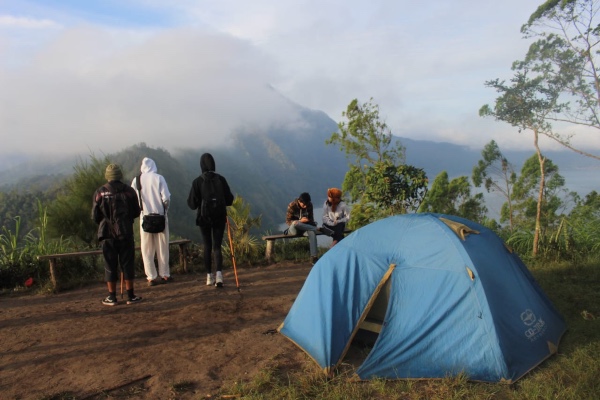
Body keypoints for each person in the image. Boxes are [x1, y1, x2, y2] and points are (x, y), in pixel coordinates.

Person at [92, 164, 142, 306]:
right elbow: (136, 212)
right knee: (127, 263)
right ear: (120, 175)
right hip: (126, 233)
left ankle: (111, 297)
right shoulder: (130, 192)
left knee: (110, 264)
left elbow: (95, 216)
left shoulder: (100, 192)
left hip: (107, 234)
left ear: (107, 176)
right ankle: (130, 296)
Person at [187, 153, 234, 287]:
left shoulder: (197, 181)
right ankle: (219, 275)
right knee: (217, 246)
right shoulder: (221, 179)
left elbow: (192, 204)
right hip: (219, 217)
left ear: (201, 165)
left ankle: (209, 276)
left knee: (207, 246)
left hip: (204, 218)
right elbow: (230, 200)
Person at [132, 157, 172, 286]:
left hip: (145, 217)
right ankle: (165, 274)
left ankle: (151, 277)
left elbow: (134, 199)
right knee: (163, 246)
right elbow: (166, 198)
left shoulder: (136, 180)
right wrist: (164, 210)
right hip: (160, 216)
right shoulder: (159, 178)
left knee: (147, 248)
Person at [286, 192, 319, 264]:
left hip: (306, 228)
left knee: (312, 233)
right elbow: (288, 221)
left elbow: (311, 219)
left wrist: (308, 221)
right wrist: (300, 221)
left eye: (307, 205)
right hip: (294, 229)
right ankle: (316, 229)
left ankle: (314, 257)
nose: (305, 206)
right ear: (299, 201)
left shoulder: (309, 205)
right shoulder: (292, 205)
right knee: (296, 223)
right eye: (304, 205)